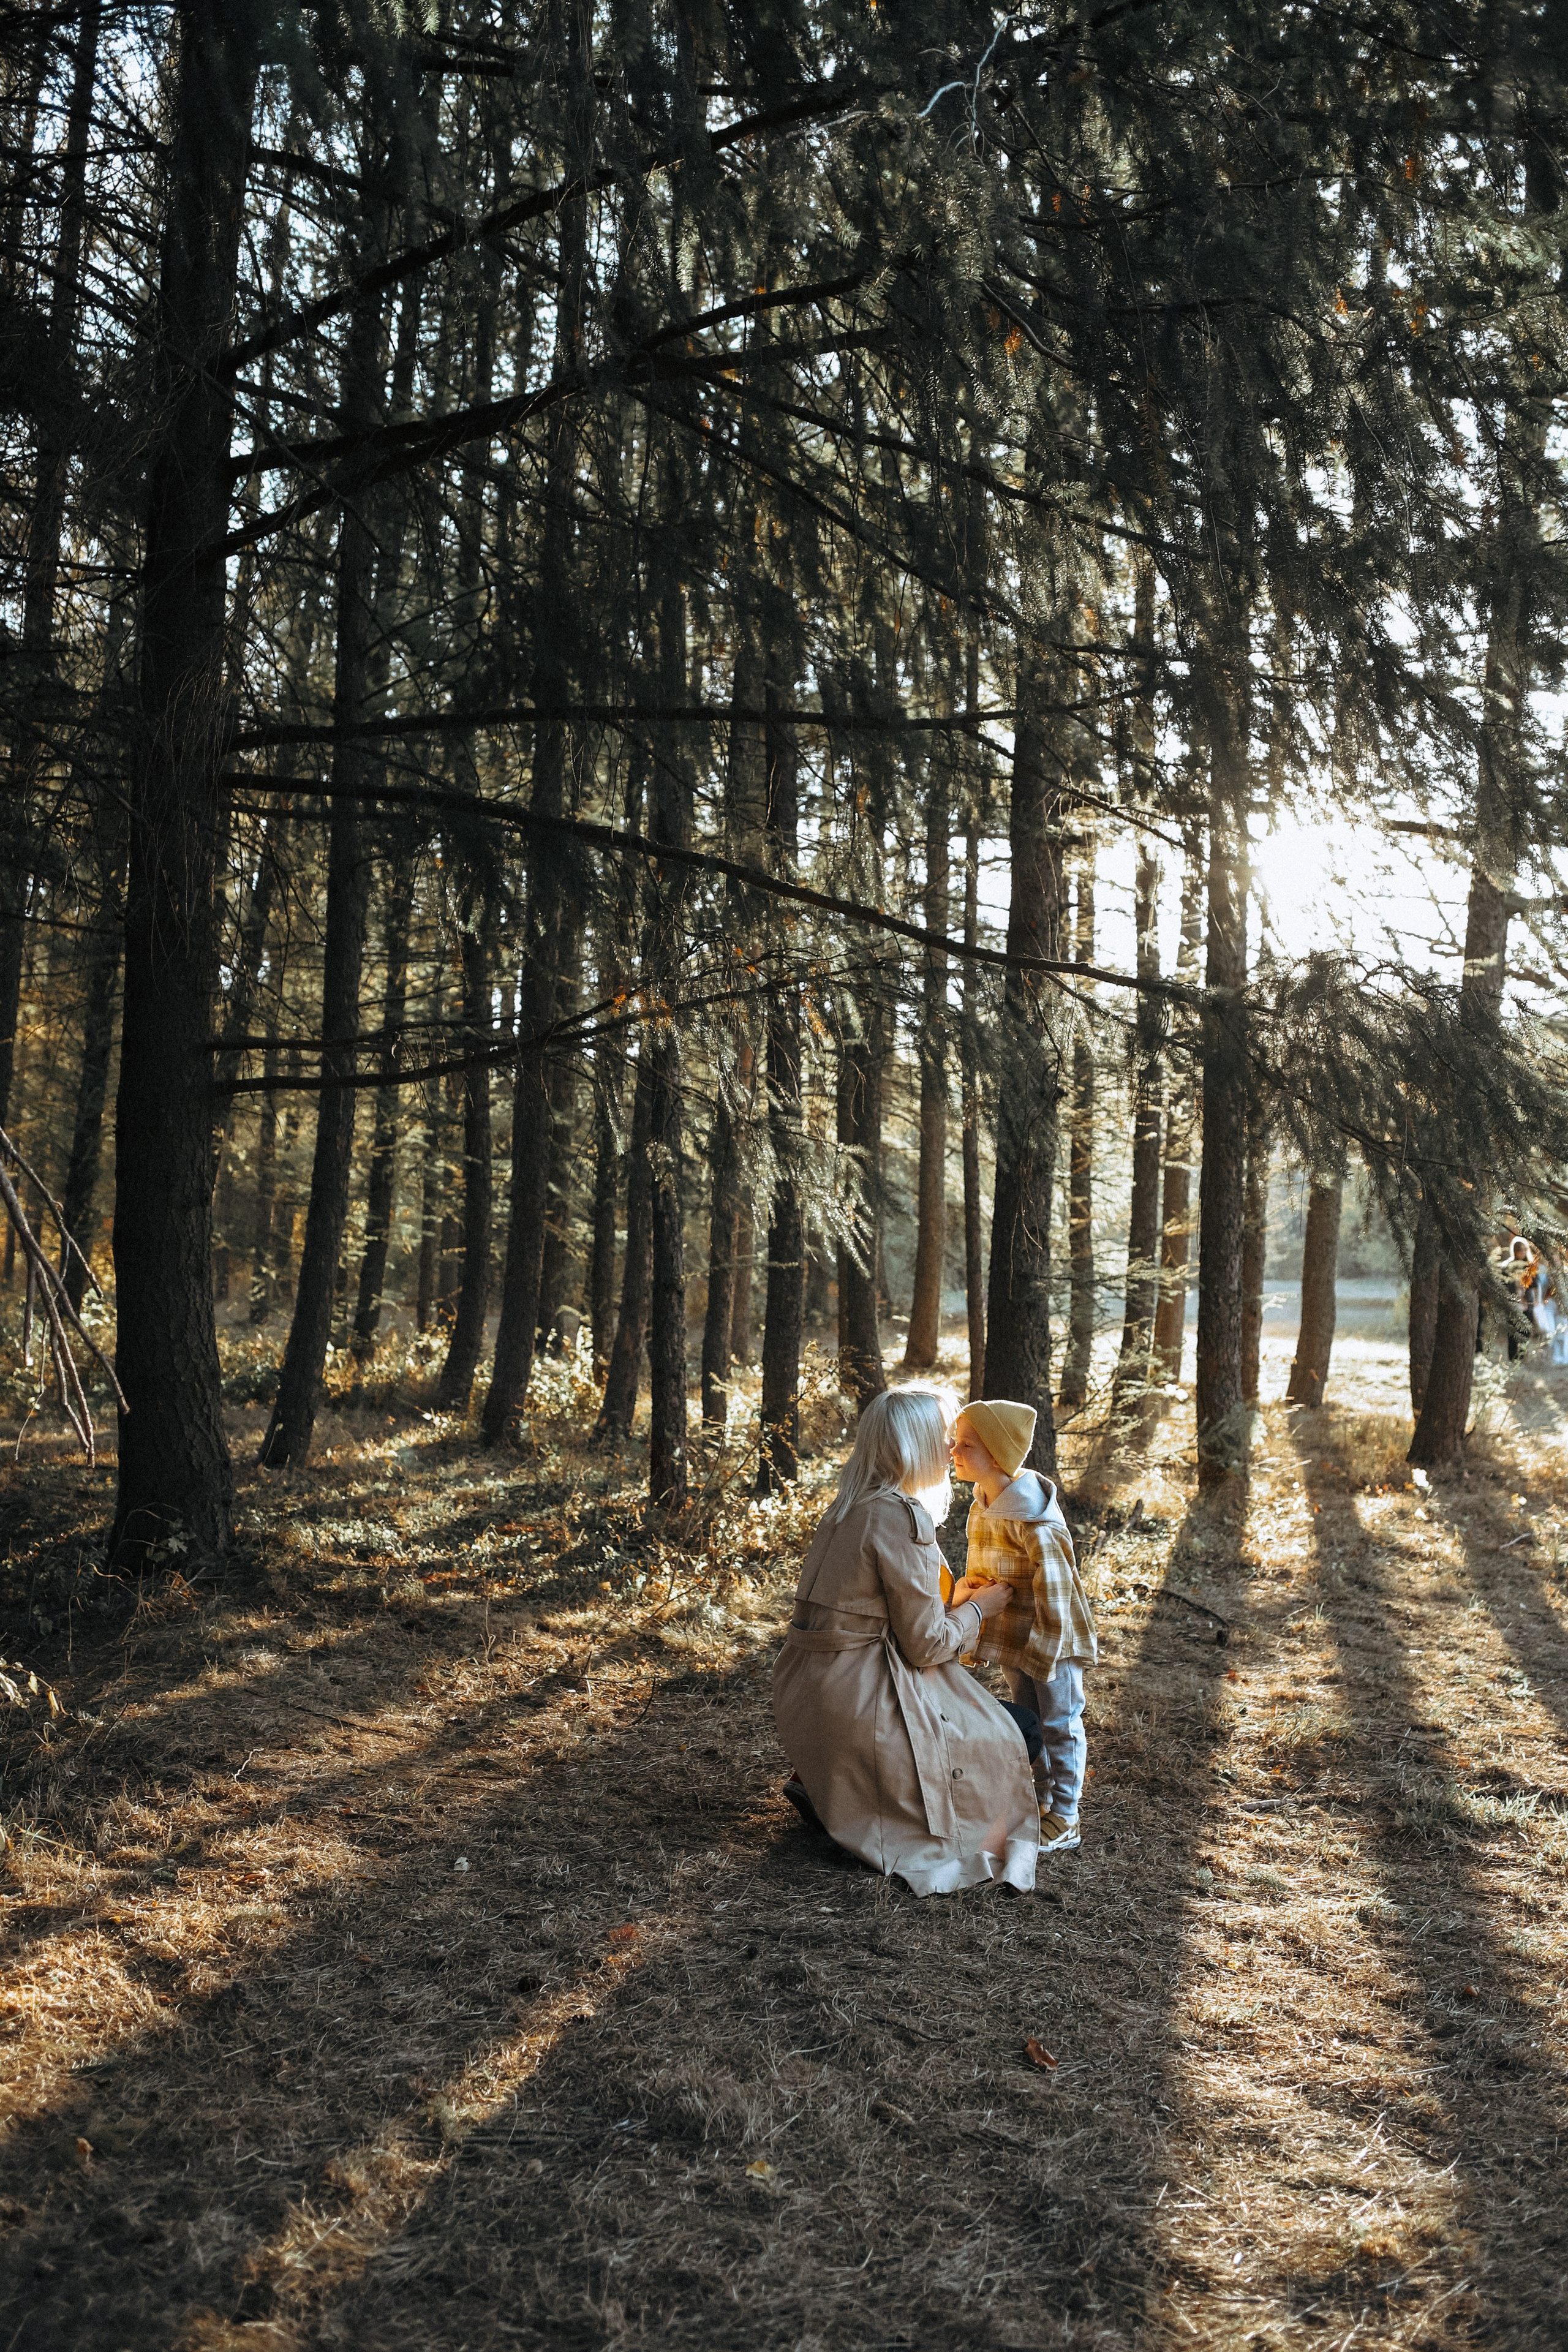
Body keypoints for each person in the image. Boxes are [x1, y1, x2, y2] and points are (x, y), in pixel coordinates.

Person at [772, 1385, 1041, 1896]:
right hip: (858, 1702)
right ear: (912, 1445)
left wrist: (952, 1600)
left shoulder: (847, 1507)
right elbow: (924, 1646)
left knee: (988, 1719)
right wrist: (980, 1610)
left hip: (806, 1697)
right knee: (1021, 1730)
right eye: (940, 1438)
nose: (949, 1450)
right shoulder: (900, 1515)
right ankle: (866, 1804)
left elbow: (872, 1612)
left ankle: (828, 1783)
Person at [949, 1400, 1098, 1855]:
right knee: (1029, 1718)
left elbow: (1056, 1594)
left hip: (1052, 1640)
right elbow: (985, 1564)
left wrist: (1047, 1649)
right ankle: (1041, 1802)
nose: (953, 1450)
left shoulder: (1035, 1522)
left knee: (1060, 1721)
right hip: (1017, 1636)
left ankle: (1067, 1815)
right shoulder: (983, 1504)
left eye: (967, 1444)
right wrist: (973, 1589)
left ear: (996, 1455)